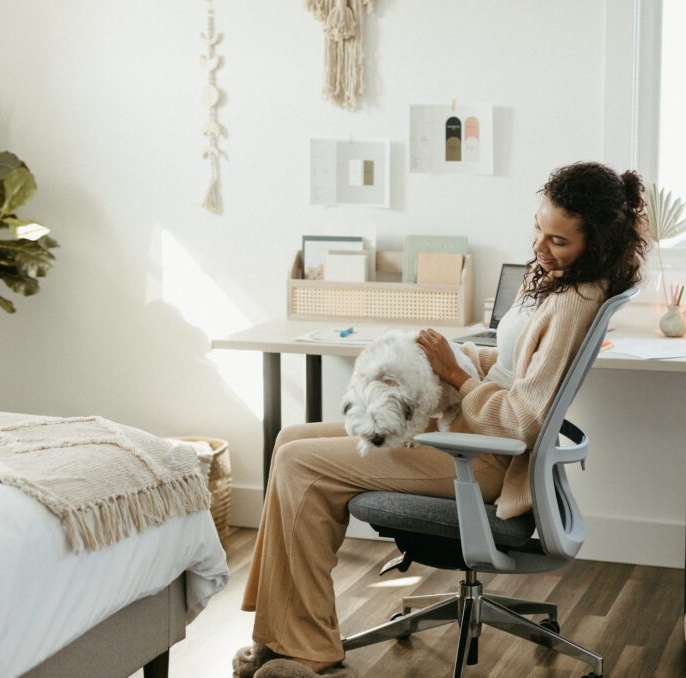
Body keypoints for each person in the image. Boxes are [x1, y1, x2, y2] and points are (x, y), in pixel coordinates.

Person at [234, 162, 649, 678]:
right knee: (289, 439)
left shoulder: (574, 303)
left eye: (558, 241)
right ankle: (278, 630)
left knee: (301, 465)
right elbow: (509, 367)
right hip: (465, 431)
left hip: (484, 457)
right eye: (539, 230)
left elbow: (521, 419)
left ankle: (308, 646)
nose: (541, 248)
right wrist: (448, 357)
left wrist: (455, 374)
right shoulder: (557, 280)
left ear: (597, 242)